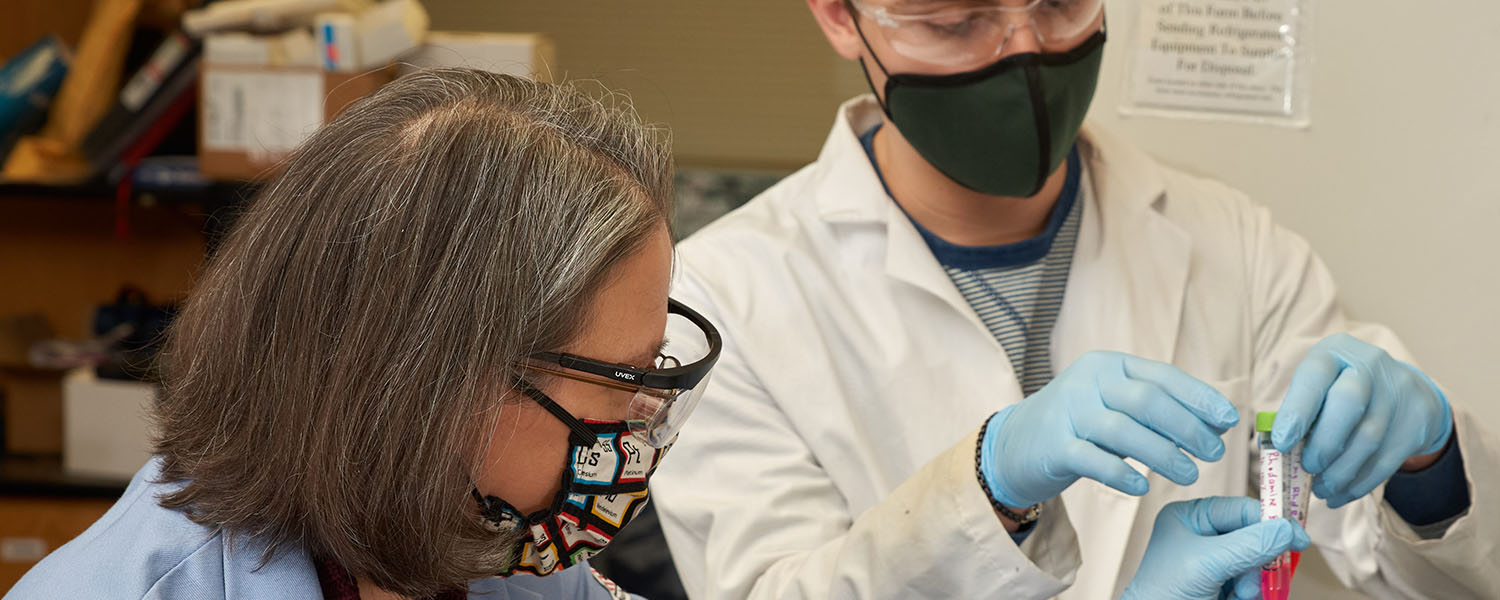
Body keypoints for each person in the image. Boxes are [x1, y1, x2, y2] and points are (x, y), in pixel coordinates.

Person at [649, 0, 1496, 598]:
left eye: (1058, 4)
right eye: (955, 19)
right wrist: (986, 487)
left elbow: (1425, 574)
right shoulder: (721, 298)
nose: (1023, 52)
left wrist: (1430, 471)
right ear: (840, 15)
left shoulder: (1230, 242)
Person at [5, 68, 723, 600]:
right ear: (428, 383)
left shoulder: (498, 553)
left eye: (656, 367)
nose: (643, 422)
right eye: (623, 381)